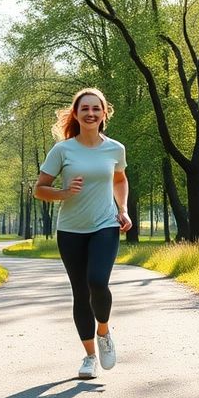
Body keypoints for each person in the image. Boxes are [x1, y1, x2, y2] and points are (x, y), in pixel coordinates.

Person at [34, 88, 132, 379]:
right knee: (80, 293)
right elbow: (40, 189)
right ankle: (90, 356)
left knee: (97, 282)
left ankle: (103, 332)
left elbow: (120, 178)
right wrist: (63, 192)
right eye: (85, 109)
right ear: (75, 115)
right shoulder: (62, 150)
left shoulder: (115, 148)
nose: (91, 114)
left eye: (96, 109)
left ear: (104, 114)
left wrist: (123, 208)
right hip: (71, 230)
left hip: (105, 224)